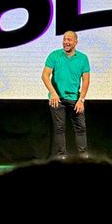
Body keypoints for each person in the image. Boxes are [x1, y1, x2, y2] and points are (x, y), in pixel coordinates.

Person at [41, 30, 90, 158]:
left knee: (81, 128)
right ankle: (61, 157)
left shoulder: (83, 58)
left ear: (75, 42)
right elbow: (45, 75)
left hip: (75, 98)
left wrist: (81, 100)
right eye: (64, 39)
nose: (66, 42)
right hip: (57, 99)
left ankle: (83, 157)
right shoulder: (54, 55)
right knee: (59, 128)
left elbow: (86, 80)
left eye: (69, 40)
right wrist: (53, 93)